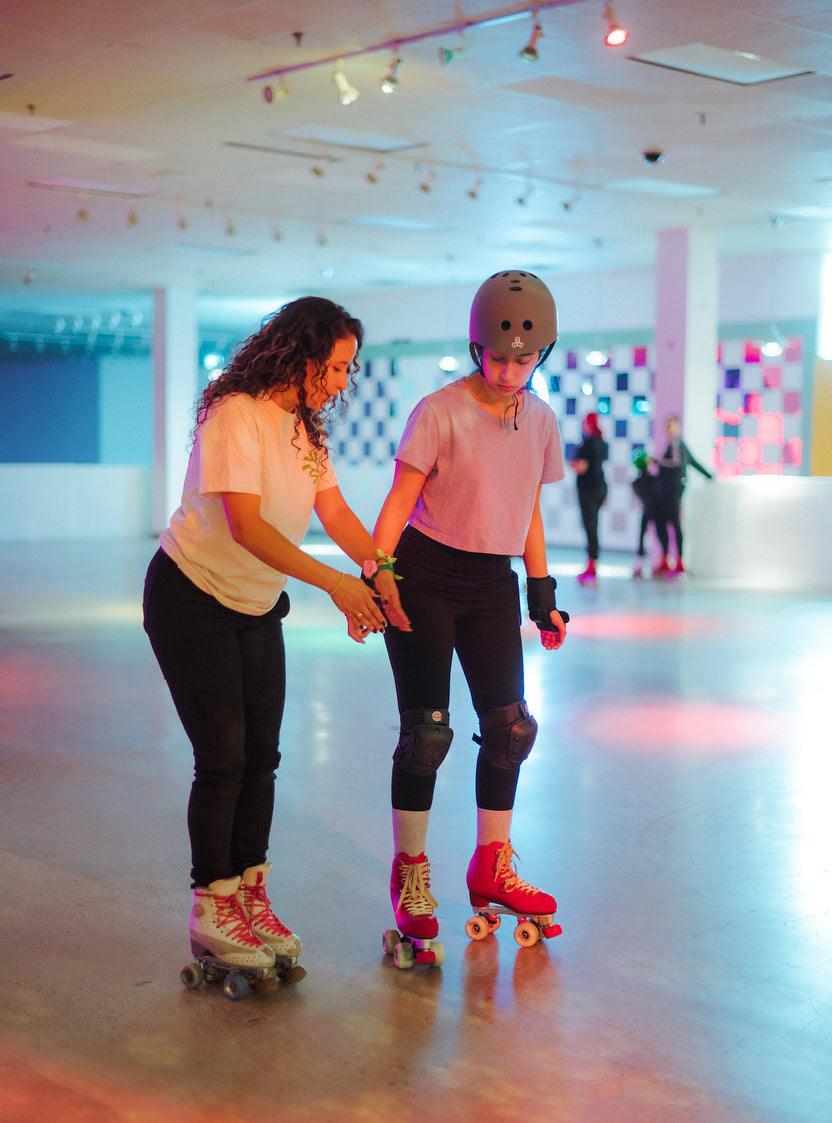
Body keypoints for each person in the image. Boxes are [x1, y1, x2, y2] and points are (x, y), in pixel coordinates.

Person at [143, 296, 410, 976]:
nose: (343, 381)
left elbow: (335, 508)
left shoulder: (304, 429)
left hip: (256, 603)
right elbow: (248, 527)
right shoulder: (235, 415)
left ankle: (251, 895)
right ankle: (212, 907)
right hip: (190, 597)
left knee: (262, 755)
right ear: (303, 356)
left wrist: (376, 569)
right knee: (224, 756)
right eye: (339, 367)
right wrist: (337, 585)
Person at [372, 269, 569, 949]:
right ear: (476, 346)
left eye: (525, 359)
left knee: (510, 728)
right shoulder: (439, 410)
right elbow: (399, 501)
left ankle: (492, 863)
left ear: (542, 352)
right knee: (427, 734)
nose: (512, 371)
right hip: (424, 573)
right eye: (500, 356)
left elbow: (530, 509)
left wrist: (542, 595)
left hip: (492, 583)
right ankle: (412, 872)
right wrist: (380, 572)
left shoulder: (541, 419)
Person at [651, 413, 713, 576]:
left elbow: (678, 463)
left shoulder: (677, 444)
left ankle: (678, 560)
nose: (668, 429)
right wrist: (709, 476)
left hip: (672, 490)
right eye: (667, 426)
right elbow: (693, 462)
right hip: (668, 490)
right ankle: (669, 558)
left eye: (671, 425)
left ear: (677, 427)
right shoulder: (674, 445)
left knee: (673, 523)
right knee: (666, 523)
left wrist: (656, 461)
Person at [569, 411, 608, 585]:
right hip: (601, 487)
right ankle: (593, 563)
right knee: (594, 526)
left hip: (588, 490)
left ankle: (592, 565)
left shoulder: (587, 444)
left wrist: (570, 464)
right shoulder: (602, 443)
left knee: (590, 527)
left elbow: (582, 467)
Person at [630, 450, 669, 578]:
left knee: (648, 534)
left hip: (651, 510)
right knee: (661, 534)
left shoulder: (637, 483)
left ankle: (643, 563)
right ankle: (663, 559)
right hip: (656, 510)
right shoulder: (653, 480)